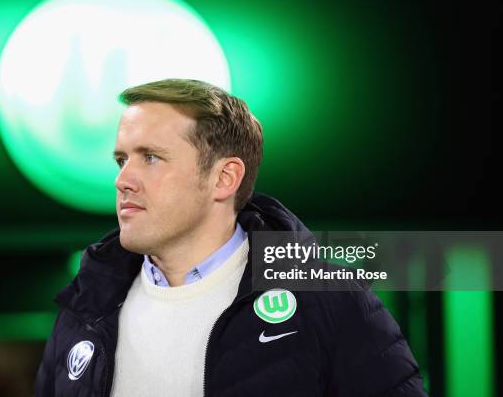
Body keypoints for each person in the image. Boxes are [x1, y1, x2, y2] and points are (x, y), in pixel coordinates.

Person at [35, 79, 427, 396]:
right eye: (122, 160)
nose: (123, 181)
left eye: (150, 157)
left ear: (225, 178)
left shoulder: (330, 301)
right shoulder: (85, 311)